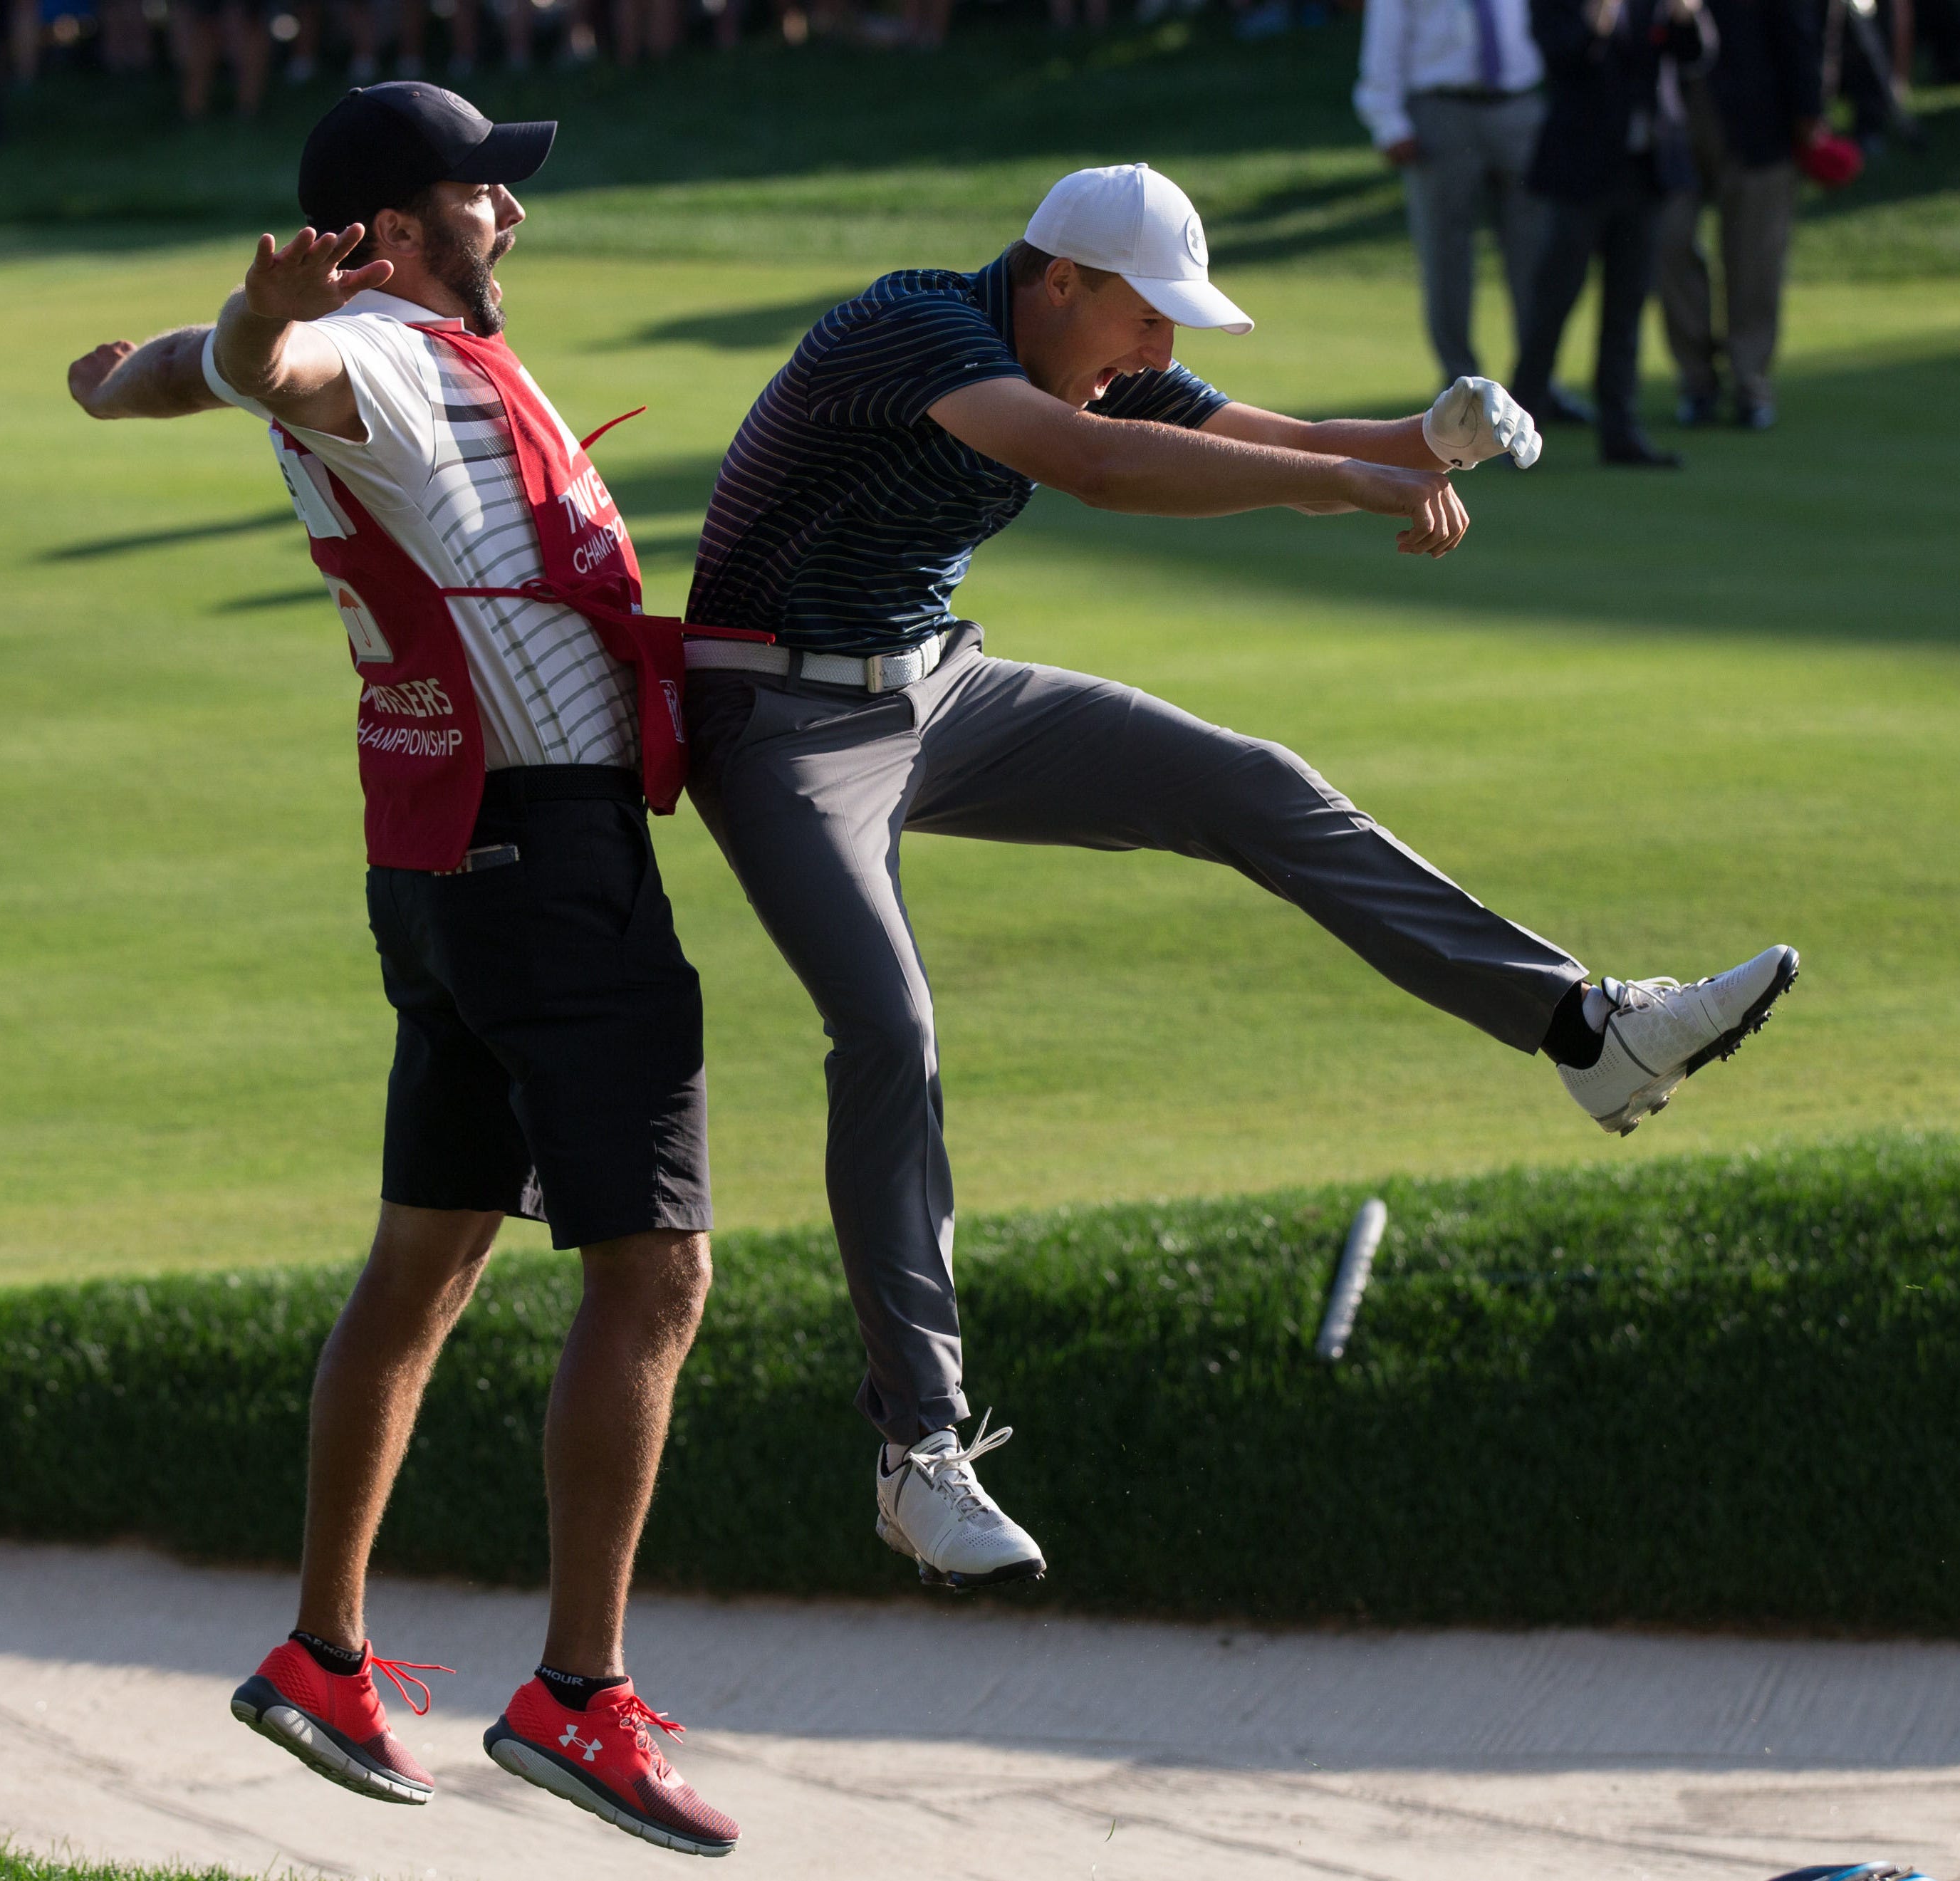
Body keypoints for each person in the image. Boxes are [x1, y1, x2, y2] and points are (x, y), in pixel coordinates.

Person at [682, 162, 1798, 1589]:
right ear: (1062, 280)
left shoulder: (1087, 364)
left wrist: (1429, 435)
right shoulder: (920, 332)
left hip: (931, 691)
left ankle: (1587, 1030)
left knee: (1248, 782)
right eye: (1151, 319)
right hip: (775, 719)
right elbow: (1100, 470)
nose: (1165, 353)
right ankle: (920, 1450)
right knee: (889, 1027)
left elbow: (1290, 439)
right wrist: (1346, 477)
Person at [64, 82, 739, 1859]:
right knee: (655, 1273)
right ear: (386, 228)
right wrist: (262, 322)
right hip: (543, 870)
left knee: (426, 1259)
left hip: (439, 868)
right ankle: (578, 1694)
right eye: (478, 193)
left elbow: (166, 378)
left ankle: (324, 1650)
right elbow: (260, 370)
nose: (510, 217)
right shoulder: (361, 352)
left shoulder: (393, 342)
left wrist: (135, 365)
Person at [1355, 0, 1597, 422]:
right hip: (1442, 109)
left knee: (1536, 258)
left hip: (1519, 107)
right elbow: (1385, 40)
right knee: (1447, 258)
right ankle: (1460, 391)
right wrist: (1387, 121)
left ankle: (1538, 385)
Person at [1510, 0, 1714, 467]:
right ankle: (1514, 428)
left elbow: (1695, 56)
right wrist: (1598, 15)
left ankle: (1620, 431)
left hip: (1644, 170)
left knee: (1627, 308)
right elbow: (1563, 57)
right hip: (1580, 174)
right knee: (1553, 303)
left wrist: (1688, 16)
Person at [1656, 0, 1823, 429]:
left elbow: (1799, 30)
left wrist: (1809, 113)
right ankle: (1697, 381)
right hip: (1673, 123)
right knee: (1669, 242)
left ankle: (1751, 383)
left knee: (1753, 261)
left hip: (1761, 120)